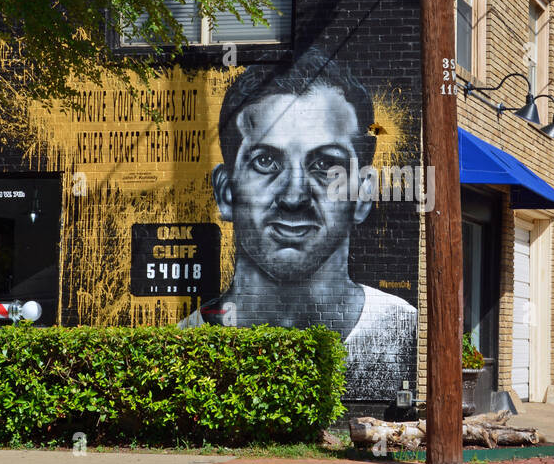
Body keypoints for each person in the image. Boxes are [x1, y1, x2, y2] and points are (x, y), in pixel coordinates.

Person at [178, 48, 416, 398]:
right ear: (227, 193)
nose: (293, 197)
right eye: (265, 161)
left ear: (363, 195)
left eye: (326, 165)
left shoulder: (406, 333)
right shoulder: (185, 344)